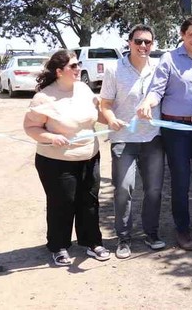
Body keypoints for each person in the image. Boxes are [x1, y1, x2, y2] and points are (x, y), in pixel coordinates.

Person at [137, 16, 192, 251]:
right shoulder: (169, 59)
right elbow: (156, 90)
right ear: (182, 35)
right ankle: (183, 230)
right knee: (181, 180)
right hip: (176, 129)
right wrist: (147, 103)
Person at [23, 50, 110, 265]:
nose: (78, 69)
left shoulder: (83, 89)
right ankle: (58, 246)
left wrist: (113, 120)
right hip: (56, 162)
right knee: (62, 203)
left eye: (78, 64)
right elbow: (30, 127)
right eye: (73, 66)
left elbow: (97, 114)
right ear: (59, 72)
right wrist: (51, 137)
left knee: (89, 201)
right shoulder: (44, 97)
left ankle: (92, 243)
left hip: (89, 156)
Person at [100, 24, 165, 259]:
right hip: (123, 140)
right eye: (138, 41)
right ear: (129, 43)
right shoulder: (114, 69)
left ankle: (151, 233)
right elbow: (105, 104)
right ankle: (124, 238)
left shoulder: (159, 68)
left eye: (148, 42)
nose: (143, 46)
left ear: (153, 44)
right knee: (123, 189)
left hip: (153, 138)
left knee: (154, 190)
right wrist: (111, 119)